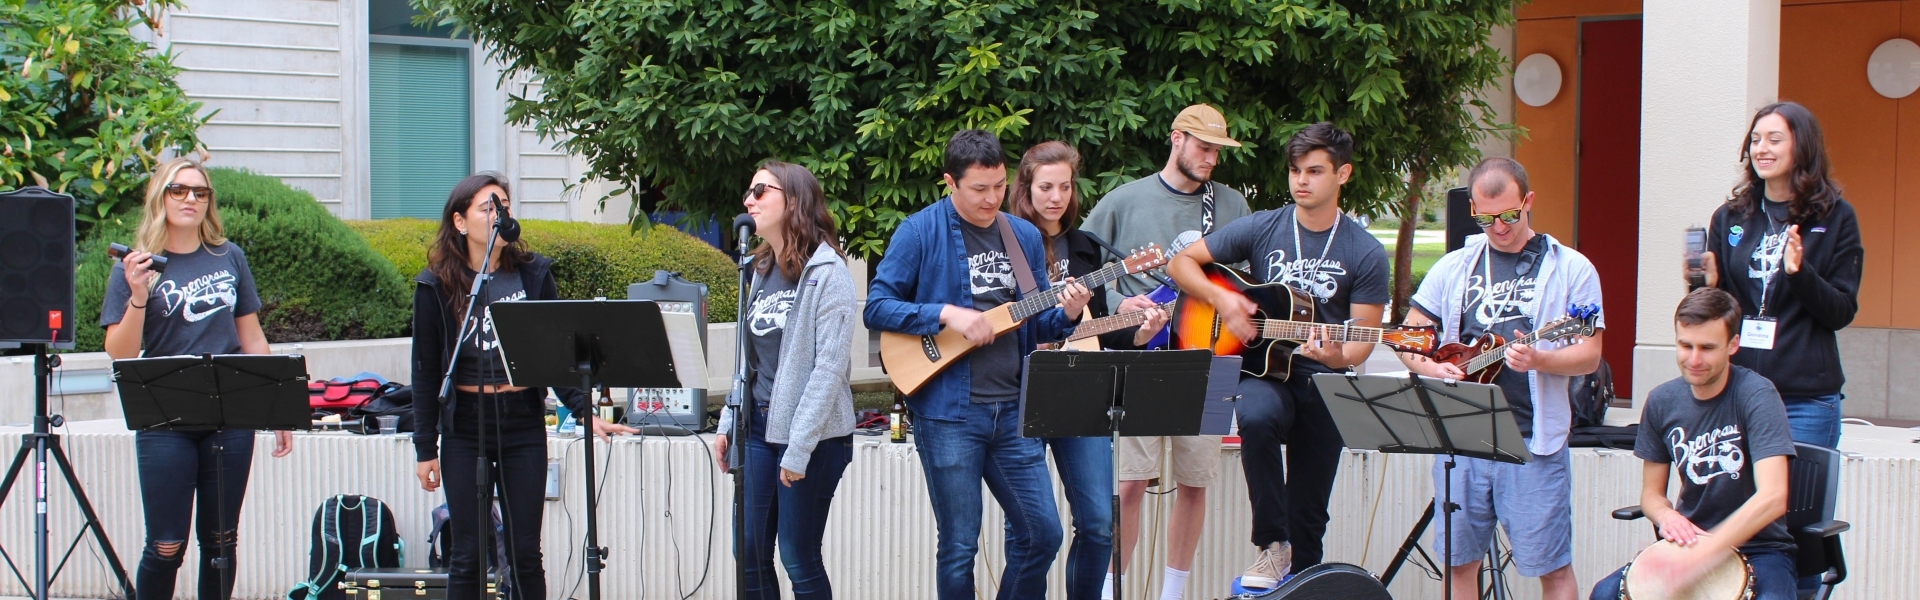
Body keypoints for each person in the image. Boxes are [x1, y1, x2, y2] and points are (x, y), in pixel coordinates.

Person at [863, 129, 1091, 599]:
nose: (992, 199)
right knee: (960, 546)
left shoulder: (1022, 235)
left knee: (1043, 533)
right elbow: (876, 307)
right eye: (979, 189)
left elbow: (1034, 325)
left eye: (1000, 186)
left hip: (1013, 410)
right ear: (950, 182)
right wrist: (945, 313)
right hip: (949, 412)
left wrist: (1066, 315)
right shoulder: (918, 231)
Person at [1166, 122, 1388, 592]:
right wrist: (1223, 300)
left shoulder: (1364, 251)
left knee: (1309, 519)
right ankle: (1271, 545)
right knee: (1257, 415)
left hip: (1322, 378)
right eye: (1294, 171)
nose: (1300, 180)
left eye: (1314, 171)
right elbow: (1180, 262)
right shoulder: (1264, 225)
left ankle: (1299, 567)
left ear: (1342, 174)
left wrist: (1334, 355)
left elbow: (1362, 341)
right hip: (1260, 370)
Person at [409, 173, 634, 600]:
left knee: (524, 551)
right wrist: (425, 448)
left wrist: (584, 411)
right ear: (460, 222)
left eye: (504, 205)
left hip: (521, 423)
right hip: (464, 427)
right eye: (487, 207)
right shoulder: (435, 284)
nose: (499, 214)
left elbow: (557, 352)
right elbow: (424, 371)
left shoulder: (531, 275)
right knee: (468, 553)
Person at [1396, 156, 1603, 600]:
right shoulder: (1455, 266)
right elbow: (1407, 339)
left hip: (1532, 440)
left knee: (1552, 567)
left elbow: (1589, 353)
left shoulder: (1572, 268)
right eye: (1486, 218)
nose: (1500, 228)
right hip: (1462, 436)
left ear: (1528, 201)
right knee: (1458, 563)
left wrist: (1541, 361)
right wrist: (1434, 368)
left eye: (1510, 215)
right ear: (1472, 209)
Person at [1079, 104, 1250, 600]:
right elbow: (1081, 272)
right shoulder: (1124, 201)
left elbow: (1247, 276)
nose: (1212, 158)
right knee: (1131, 483)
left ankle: (1173, 593)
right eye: (1203, 146)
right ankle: (1113, 590)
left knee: (1195, 482)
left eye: (1218, 150)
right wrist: (1117, 302)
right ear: (1175, 139)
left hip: (1209, 356)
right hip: (1142, 356)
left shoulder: (1232, 205)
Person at [102, 157, 293, 600]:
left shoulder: (229, 256)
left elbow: (252, 337)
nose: (191, 199)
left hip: (230, 410)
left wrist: (276, 406)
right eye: (179, 190)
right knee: (166, 544)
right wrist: (136, 295)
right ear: (160, 196)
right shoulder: (133, 266)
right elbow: (120, 354)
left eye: (200, 192)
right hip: (165, 417)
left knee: (222, 542)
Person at [1007, 141, 1169, 600]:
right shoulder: (1005, 243)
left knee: (1099, 524)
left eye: (1064, 186)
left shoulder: (1085, 248)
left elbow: (1097, 328)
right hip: (1018, 390)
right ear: (1026, 188)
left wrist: (1138, 333)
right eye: (1045, 187)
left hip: (1080, 388)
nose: (1056, 196)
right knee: (1029, 532)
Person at [711, 161, 859, 599]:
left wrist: (799, 448)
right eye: (748, 192)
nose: (748, 200)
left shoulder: (828, 273)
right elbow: (747, 360)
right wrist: (727, 421)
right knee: (749, 551)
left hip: (812, 437)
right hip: (758, 427)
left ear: (793, 200)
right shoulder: (758, 270)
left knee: (798, 556)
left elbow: (829, 370)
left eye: (761, 191)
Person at [1590, 288, 1796, 600]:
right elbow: (1651, 494)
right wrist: (1666, 516)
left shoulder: (1757, 395)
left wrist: (1707, 553)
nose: (1694, 359)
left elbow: (1773, 497)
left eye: (1707, 348)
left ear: (1732, 345)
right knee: (1603, 594)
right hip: (1687, 545)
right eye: (1685, 345)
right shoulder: (1662, 401)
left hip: (1760, 549)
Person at [1692, 101, 1861, 449]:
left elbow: (1841, 311)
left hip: (1805, 401)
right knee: (1736, 502)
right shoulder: (1729, 217)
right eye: (1755, 140)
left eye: (1774, 139)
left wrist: (1799, 274)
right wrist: (1703, 287)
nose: (1761, 149)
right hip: (1736, 390)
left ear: (1802, 146)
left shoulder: (1836, 217)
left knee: (1799, 504)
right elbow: (1715, 313)